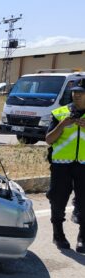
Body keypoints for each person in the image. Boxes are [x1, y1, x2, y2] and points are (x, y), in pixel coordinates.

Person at [44, 77, 85, 253]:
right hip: (61, 165)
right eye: (75, 92)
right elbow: (49, 140)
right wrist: (62, 125)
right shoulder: (59, 113)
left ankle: (83, 237)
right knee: (58, 200)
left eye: (81, 93)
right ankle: (58, 235)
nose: (77, 95)